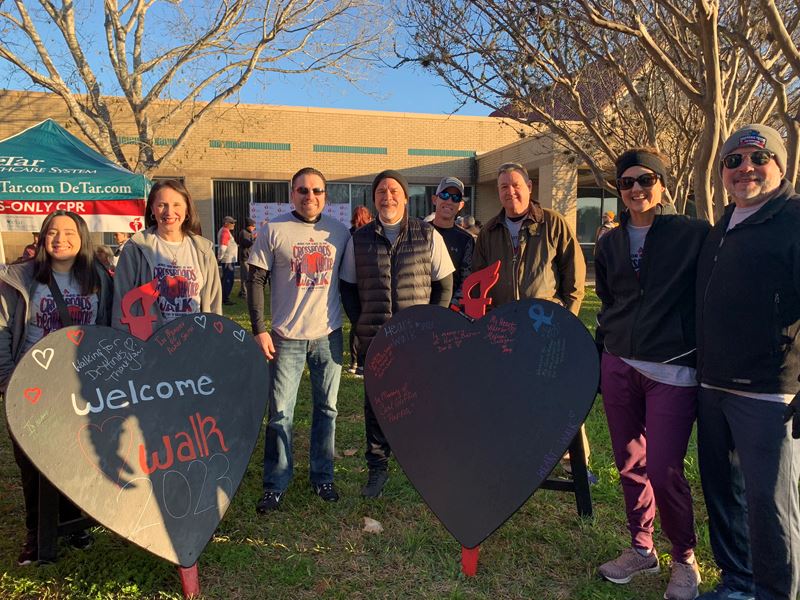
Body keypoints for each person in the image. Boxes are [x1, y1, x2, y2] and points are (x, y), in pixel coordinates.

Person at [594, 148, 709, 600]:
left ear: (662, 184)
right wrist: (611, 345)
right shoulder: (609, 242)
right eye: (627, 183)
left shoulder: (693, 234)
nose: (637, 189)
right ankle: (641, 549)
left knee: (664, 470)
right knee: (629, 464)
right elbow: (608, 297)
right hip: (620, 362)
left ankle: (684, 558)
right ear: (619, 191)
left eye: (646, 180)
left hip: (673, 367)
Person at [695, 124, 800, 600]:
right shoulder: (722, 226)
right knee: (723, 496)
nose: (745, 169)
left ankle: (775, 593)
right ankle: (736, 582)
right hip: (713, 386)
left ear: (780, 167)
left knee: (771, 507)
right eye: (733, 161)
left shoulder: (795, 218)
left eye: (758, 159)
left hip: (768, 392)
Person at [0, 210, 113, 565]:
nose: (60, 238)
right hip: (30, 384)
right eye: (52, 232)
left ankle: (73, 523)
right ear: (42, 238)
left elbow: (107, 327)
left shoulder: (99, 279)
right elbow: (2, 331)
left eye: (68, 232)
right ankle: (37, 534)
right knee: (32, 462)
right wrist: (6, 378)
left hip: (81, 383)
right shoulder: (19, 278)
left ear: (82, 238)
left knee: (77, 454)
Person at [340, 170, 455, 498]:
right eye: (381, 192)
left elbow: (444, 283)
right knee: (376, 405)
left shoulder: (427, 234)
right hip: (375, 340)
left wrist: (431, 323)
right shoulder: (359, 240)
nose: (387, 197)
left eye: (394, 191)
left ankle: (424, 467)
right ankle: (377, 468)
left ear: (405, 197)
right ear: (373, 198)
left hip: (416, 342)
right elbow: (347, 287)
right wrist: (361, 320)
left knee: (421, 402)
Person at [246, 167, 350, 512]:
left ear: (326, 196)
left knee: (328, 410)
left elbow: (349, 283)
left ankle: (323, 476)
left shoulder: (339, 232)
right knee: (280, 414)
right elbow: (255, 281)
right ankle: (275, 482)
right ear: (292, 194)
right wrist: (259, 328)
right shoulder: (274, 229)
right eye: (303, 190)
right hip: (285, 337)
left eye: (317, 191)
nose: (310, 197)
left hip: (328, 334)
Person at [472, 162, 585, 314]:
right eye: (504, 187)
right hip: (502, 324)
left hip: (545, 320)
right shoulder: (489, 231)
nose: (510, 191)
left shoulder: (553, 223)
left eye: (516, 185)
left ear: (529, 187)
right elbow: (477, 280)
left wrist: (567, 319)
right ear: (498, 191)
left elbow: (574, 276)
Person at [112, 179, 222, 331]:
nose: (169, 212)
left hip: (195, 342)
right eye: (162, 205)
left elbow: (214, 304)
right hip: (150, 344)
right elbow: (121, 302)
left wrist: (215, 339)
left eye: (177, 205)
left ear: (187, 209)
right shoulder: (135, 248)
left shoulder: (204, 250)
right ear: (152, 209)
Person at [431, 176, 474, 304]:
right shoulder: (420, 233)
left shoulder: (466, 240)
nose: (449, 201)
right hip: (419, 309)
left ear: (460, 205)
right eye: (444, 195)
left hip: (449, 313)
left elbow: (466, 281)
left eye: (455, 198)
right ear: (434, 199)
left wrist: (451, 310)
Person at [347, 205, 373, 376]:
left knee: (356, 325)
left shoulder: (349, 234)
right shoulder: (371, 233)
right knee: (367, 325)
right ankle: (363, 362)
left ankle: (354, 361)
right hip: (368, 284)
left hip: (352, 285)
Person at [217, 216, 238, 305]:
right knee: (228, 279)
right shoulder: (225, 232)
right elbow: (223, 247)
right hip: (228, 260)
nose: (234, 224)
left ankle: (222, 297)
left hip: (228, 259)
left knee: (226, 278)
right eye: (232, 222)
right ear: (226, 223)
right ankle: (225, 299)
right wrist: (220, 257)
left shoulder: (225, 231)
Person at [237, 218, 256, 299]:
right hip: (245, 258)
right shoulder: (244, 233)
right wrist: (255, 239)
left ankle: (242, 292)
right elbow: (247, 244)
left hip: (248, 257)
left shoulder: (249, 233)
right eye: (253, 226)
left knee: (247, 276)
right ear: (249, 226)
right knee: (245, 276)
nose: (254, 228)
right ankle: (244, 294)